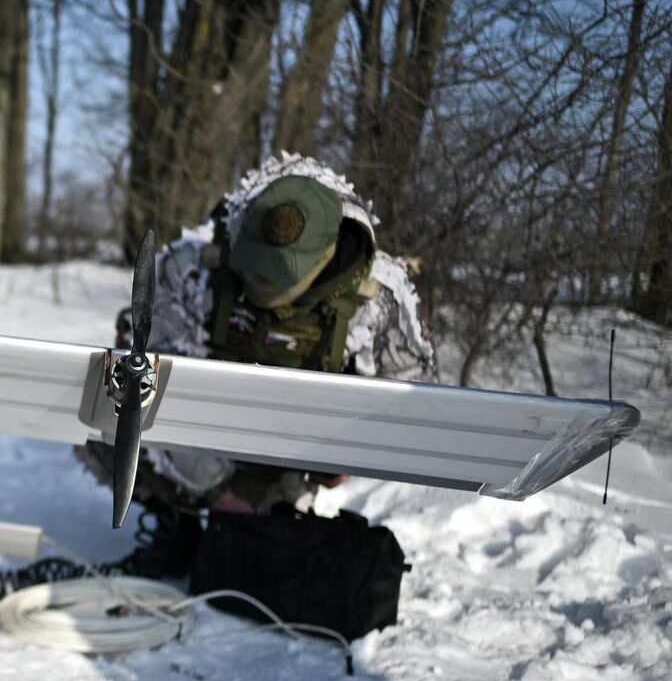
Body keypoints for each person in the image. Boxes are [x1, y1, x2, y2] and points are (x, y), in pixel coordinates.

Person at [82, 153, 437, 577]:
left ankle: (261, 528)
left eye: (277, 275)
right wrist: (214, 488)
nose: (259, 282)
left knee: (267, 546)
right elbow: (148, 371)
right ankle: (180, 525)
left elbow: (410, 402)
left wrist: (349, 453)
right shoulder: (199, 264)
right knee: (108, 428)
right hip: (203, 438)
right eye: (254, 267)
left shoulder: (378, 299)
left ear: (327, 255)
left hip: (299, 452)